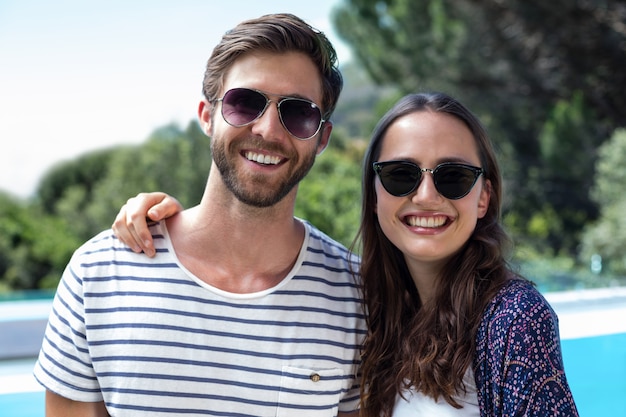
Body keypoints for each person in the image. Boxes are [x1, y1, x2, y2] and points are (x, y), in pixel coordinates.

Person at [116, 92, 579, 416]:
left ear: (483, 197)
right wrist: (168, 219)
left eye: (453, 176)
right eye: (400, 174)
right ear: (375, 192)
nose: (425, 195)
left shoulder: (514, 320)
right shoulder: (369, 307)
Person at [34, 13, 365, 417]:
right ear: (208, 116)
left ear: (322, 138)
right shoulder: (98, 273)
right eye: (245, 103)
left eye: (298, 113)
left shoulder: (358, 296)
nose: (268, 130)